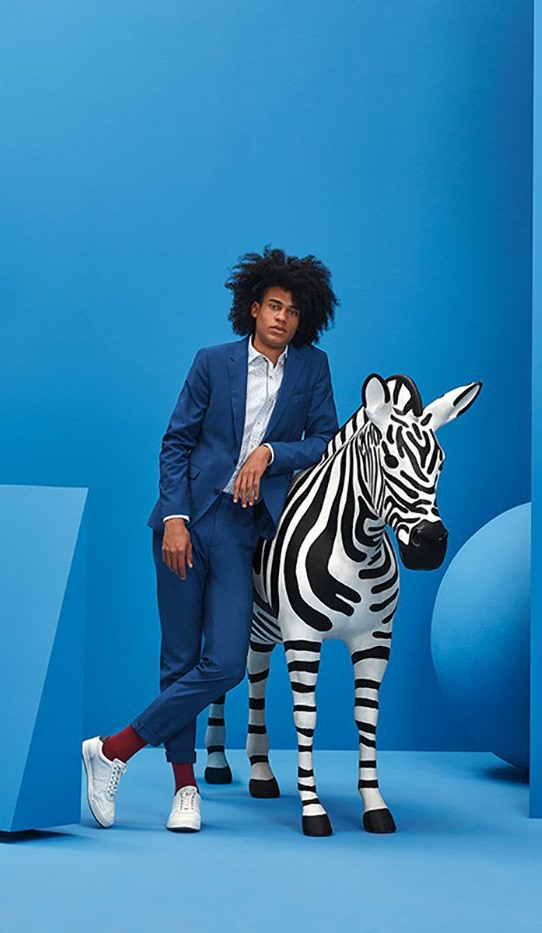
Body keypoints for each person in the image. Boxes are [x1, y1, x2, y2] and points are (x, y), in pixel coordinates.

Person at [81, 245, 340, 832]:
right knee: (179, 658)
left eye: (294, 312)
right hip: (189, 521)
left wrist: (271, 452)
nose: (282, 319)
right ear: (253, 309)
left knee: (224, 661)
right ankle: (184, 788)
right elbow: (176, 442)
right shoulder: (212, 361)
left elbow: (326, 439)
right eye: (274, 306)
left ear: (305, 320)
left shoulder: (311, 368)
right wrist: (174, 518)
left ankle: (113, 750)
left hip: (246, 531)